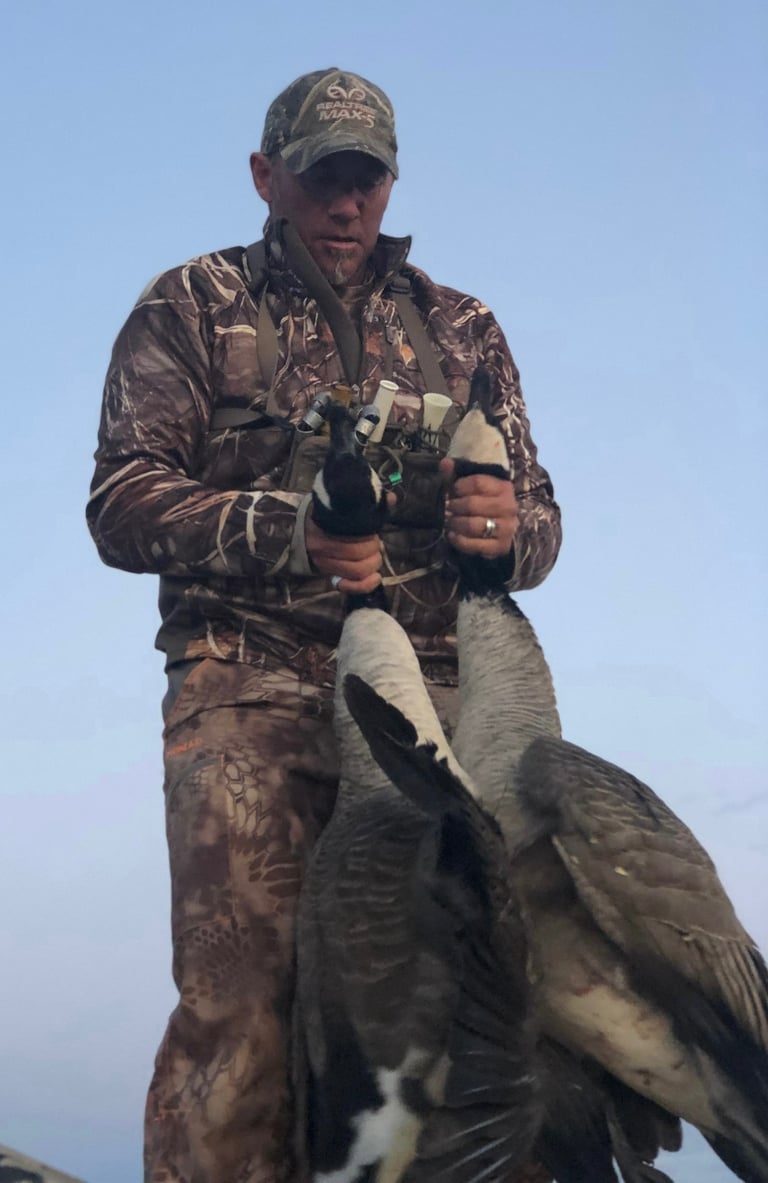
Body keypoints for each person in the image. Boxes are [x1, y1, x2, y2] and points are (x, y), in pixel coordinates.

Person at [87, 67, 561, 1183]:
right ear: (266, 175)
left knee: (486, 1009)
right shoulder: (191, 304)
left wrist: (504, 531)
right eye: (320, 178)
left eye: (365, 180)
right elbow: (120, 501)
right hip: (249, 687)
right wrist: (288, 530)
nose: (345, 204)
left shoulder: (463, 327)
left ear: (391, 183)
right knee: (243, 1009)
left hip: (437, 715)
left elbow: (540, 525)